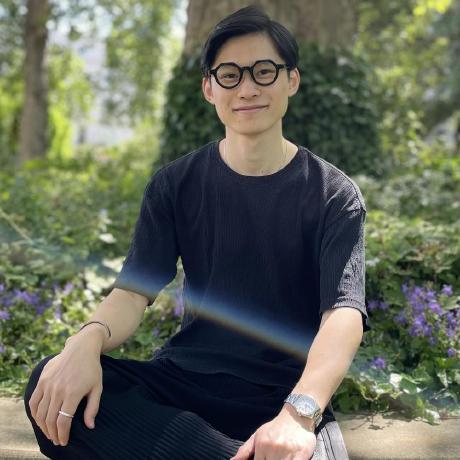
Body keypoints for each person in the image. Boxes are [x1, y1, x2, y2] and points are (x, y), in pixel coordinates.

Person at [24, 5, 370, 459]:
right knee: (51, 386)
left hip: (281, 396)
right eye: (229, 74)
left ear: (291, 80)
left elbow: (342, 315)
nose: (247, 87)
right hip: (185, 381)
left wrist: (299, 415)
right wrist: (84, 342)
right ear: (209, 88)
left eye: (264, 71)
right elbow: (132, 293)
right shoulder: (175, 184)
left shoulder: (334, 194)